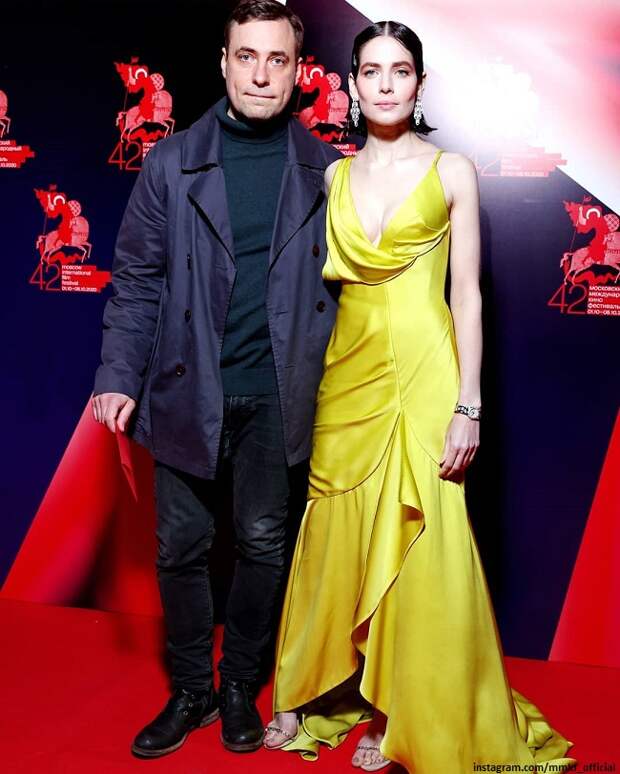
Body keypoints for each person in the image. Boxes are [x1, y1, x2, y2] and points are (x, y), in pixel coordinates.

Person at [264, 21, 577, 774]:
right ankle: (298, 687)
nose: (385, 84)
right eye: (370, 71)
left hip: (428, 373)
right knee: (332, 526)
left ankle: (396, 711)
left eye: (399, 70)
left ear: (420, 83)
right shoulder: (333, 179)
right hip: (349, 373)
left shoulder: (453, 171)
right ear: (350, 85)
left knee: (419, 539)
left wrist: (469, 404)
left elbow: (467, 294)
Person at [92, 0, 340, 759]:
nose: (261, 74)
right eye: (246, 56)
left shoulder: (330, 171)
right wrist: (117, 373)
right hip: (185, 386)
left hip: (280, 393)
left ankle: (239, 687)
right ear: (224, 62)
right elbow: (137, 279)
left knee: (264, 545)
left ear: (296, 72)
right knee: (180, 548)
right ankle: (192, 689)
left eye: (277, 59)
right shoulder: (170, 162)